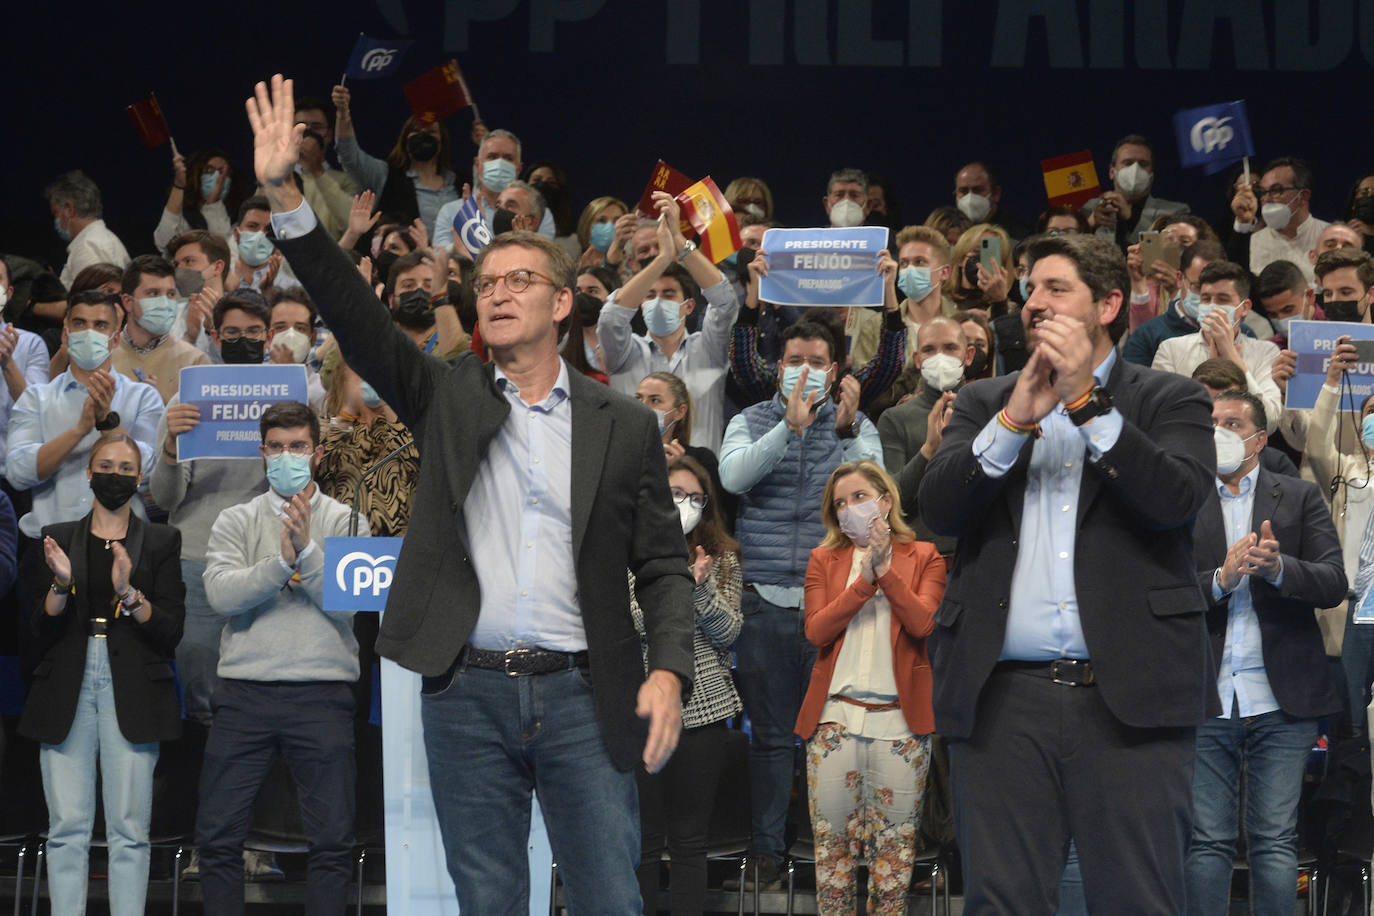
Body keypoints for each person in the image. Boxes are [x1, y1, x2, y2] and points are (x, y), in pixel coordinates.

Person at [245, 73, 694, 913]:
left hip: (582, 695)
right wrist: (285, 195)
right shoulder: (447, 393)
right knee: (486, 901)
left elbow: (666, 568)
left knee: (608, 899)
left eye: (519, 280)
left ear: (563, 304)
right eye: (486, 283)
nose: (496, 292)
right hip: (466, 695)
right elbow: (356, 318)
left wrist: (667, 670)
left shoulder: (623, 425)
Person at [918, 233, 1215, 913]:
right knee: (1001, 900)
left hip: (1130, 697)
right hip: (1001, 700)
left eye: (1057, 289)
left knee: (1137, 899)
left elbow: (1174, 502)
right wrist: (1015, 419)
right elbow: (939, 507)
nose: (1034, 303)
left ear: (1109, 304)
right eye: (1030, 288)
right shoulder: (983, 401)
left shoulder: (1171, 399)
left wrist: (1086, 403)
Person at [718, 317, 883, 888]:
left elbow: (879, 492)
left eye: (817, 361)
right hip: (762, 599)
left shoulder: (853, 425)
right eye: (795, 360)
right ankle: (766, 849)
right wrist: (788, 430)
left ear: (835, 371)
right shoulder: (751, 418)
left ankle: (833, 850)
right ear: (778, 365)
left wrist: (845, 428)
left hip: (833, 605)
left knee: (832, 735)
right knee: (768, 736)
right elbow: (734, 477)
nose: (805, 370)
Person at [198, 401, 363, 915]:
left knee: (333, 843)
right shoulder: (234, 519)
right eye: (276, 447)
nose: (286, 455)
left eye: (297, 446)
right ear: (261, 452)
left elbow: (351, 604)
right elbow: (221, 596)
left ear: (316, 453)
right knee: (218, 839)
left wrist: (308, 554)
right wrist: (281, 563)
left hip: (323, 694)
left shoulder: (348, 519)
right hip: (244, 694)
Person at [1185, 389, 1344, 915]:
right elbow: (1156, 591)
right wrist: (1219, 580)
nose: (1219, 432)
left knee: (1274, 841)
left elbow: (1333, 582)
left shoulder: (1296, 496)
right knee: (1206, 840)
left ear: (1258, 437)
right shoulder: (1181, 498)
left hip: (1283, 699)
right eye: (1211, 422)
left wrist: (1279, 570)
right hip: (1205, 693)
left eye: (1231, 422)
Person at [18, 433, 185, 916]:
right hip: (66, 683)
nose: (116, 475)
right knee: (67, 825)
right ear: (89, 474)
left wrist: (129, 593)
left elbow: (170, 631)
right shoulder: (57, 533)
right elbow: (39, 626)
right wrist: (62, 582)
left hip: (132, 685)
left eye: (127, 467)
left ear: (139, 477)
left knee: (130, 828)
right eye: (106, 466)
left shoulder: (161, 539)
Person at [797, 459, 944, 915]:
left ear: (885, 499)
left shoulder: (926, 556)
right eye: (840, 504)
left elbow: (923, 622)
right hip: (833, 723)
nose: (849, 510)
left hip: (900, 727)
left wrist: (886, 571)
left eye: (859, 497)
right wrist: (865, 580)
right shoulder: (824, 558)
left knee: (893, 867)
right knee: (833, 866)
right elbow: (817, 630)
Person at [634, 454, 742, 916]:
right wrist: (677, 582)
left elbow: (730, 631)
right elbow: (628, 622)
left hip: (705, 708)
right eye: (677, 494)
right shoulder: (627, 548)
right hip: (638, 705)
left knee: (690, 840)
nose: (687, 504)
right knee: (641, 838)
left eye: (696, 498)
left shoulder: (722, 558)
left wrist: (699, 588)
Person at [598, 193, 740, 453]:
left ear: (688, 306)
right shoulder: (625, 354)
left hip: (700, 479)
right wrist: (661, 259)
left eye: (668, 294)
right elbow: (609, 319)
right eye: (650, 295)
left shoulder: (708, 349)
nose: (658, 301)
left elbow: (725, 302)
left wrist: (679, 242)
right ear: (640, 305)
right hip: (632, 482)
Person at [1153, 261, 1282, 431]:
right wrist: (1210, 370)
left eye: (1223, 299)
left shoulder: (1266, 351)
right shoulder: (1170, 350)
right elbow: (1161, 415)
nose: (1212, 306)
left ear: (1244, 308)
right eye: (1206, 299)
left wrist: (1231, 355)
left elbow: (1270, 422)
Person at [331, 84, 459, 236]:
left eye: (431, 132)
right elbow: (349, 155)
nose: (423, 136)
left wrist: (484, 140)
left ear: (442, 141)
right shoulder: (386, 176)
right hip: (405, 259)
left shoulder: (460, 182)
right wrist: (343, 114)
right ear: (405, 140)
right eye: (416, 131)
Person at [112, 255, 211, 403]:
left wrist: (161, 406)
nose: (164, 303)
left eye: (170, 294)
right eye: (153, 293)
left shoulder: (194, 361)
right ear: (127, 302)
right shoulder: (103, 356)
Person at [1231, 157, 1331, 284]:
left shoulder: (1332, 237)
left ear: (1303, 196)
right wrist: (1243, 221)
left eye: (1276, 191)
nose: (1266, 199)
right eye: (1263, 192)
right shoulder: (1254, 243)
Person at [1082, 134, 1189, 248]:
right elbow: (1067, 251)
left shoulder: (1175, 213)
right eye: (1128, 163)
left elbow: (1176, 253)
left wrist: (1131, 219)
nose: (1135, 170)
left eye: (1143, 164)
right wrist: (1089, 225)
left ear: (1151, 175)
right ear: (1112, 172)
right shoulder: (1089, 209)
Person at [46, 170, 131, 289]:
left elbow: (91, 303)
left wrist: (35, 306)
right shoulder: (103, 238)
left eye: (56, 213)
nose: (56, 220)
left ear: (69, 209)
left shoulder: (87, 247)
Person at [153, 149, 241, 254]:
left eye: (224, 172)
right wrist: (179, 186)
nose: (218, 177)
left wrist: (213, 202)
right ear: (196, 175)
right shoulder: (183, 217)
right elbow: (163, 242)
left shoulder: (239, 219)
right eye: (209, 171)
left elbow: (222, 251)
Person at [953, 161, 1031, 241]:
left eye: (978, 190)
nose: (970, 197)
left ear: (996, 194)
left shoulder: (1018, 236)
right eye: (963, 191)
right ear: (955, 195)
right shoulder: (949, 234)